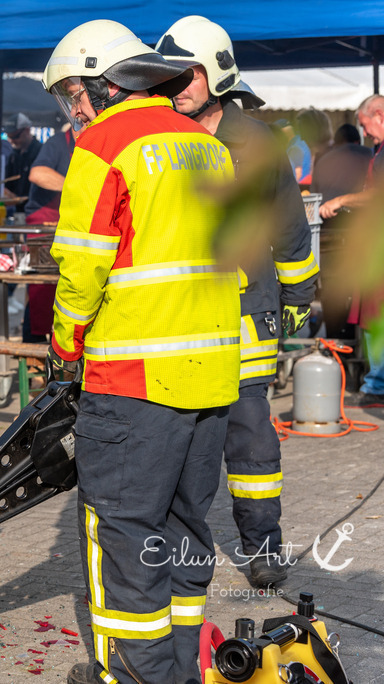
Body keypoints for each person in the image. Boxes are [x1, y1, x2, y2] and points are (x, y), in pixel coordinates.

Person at [43, 20, 240, 684]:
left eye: (74, 93)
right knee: (185, 531)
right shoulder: (209, 147)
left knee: (124, 539)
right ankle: (182, 669)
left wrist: (65, 340)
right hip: (211, 379)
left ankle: (135, 676)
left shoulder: (103, 145)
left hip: (133, 384)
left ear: (101, 82)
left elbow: (82, 269)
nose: (75, 109)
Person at [158, 15, 319, 590]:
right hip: (180, 318)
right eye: (170, 74)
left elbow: (290, 229)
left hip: (249, 313)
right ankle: (181, 551)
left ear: (217, 75)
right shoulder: (159, 139)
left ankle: (263, 547)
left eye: (189, 74)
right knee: (185, 440)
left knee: (249, 439)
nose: (178, 84)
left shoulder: (257, 143)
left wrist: (299, 296)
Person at [321, 94, 384, 404]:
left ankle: (376, 386)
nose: (366, 133)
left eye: (366, 125)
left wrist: (342, 201)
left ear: (380, 115)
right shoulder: (377, 151)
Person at [313, 123, 373, 339]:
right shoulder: (371, 154)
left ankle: (334, 342)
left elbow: (316, 199)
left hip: (330, 236)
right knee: (363, 294)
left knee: (332, 292)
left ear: (337, 142)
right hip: (362, 234)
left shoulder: (324, 160)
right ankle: (357, 347)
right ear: (358, 140)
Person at [21, 122, 77, 344]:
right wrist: (75, 187)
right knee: (42, 292)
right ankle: (33, 351)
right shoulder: (57, 144)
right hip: (44, 229)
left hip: (69, 226)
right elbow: (38, 174)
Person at [3, 113, 42, 210]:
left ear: (27, 130)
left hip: (35, 209)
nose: (12, 141)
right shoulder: (14, 155)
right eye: (9, 137)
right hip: (18, 210)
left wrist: (20, 198)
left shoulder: (40, 152)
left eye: (15, 137)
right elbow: (8, 181)